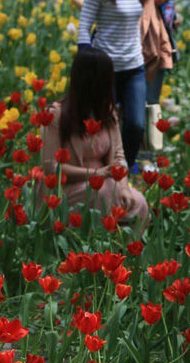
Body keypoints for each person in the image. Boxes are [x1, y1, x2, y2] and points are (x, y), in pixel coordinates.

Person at [38, 47, 151, 232]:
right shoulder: (56, 115)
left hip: (106, 183)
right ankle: (95, 253)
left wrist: (123, 187)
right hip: (69, 187)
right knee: (103, 193)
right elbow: (52, 166)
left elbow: (119, 156)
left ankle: (127, 253)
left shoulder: (107, 113)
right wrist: (95, 173)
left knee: (138, 202)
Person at [77, 0, 155, 169]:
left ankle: (125, 171)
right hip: (105, 69)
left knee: (136, 125)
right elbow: (84, 28)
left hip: (134, 67)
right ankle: (104, 171)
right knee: (105, 126)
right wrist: (86, 62)